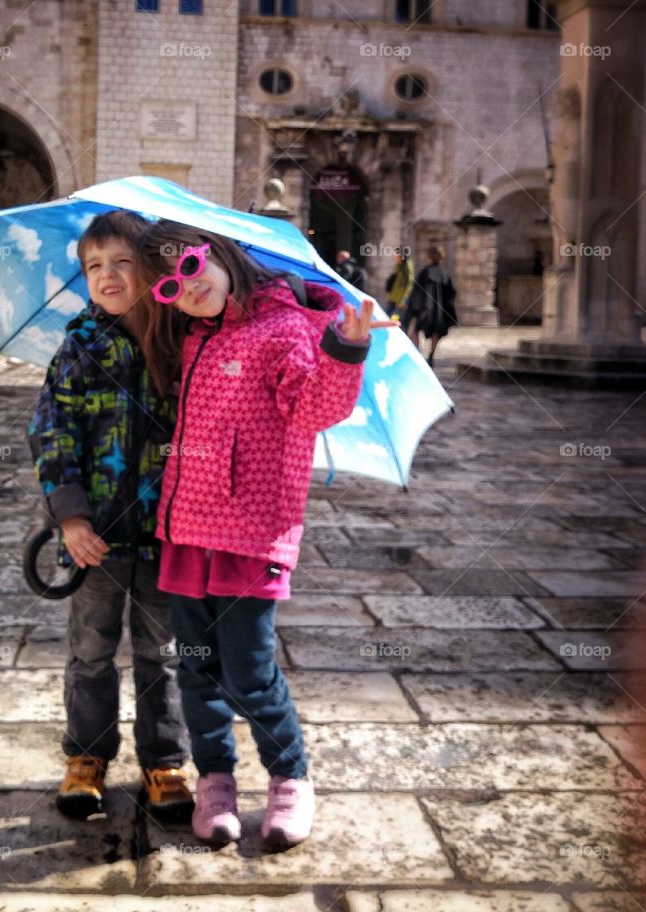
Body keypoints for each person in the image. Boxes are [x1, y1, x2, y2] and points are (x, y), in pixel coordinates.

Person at [139, 221, 391, 851]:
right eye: (171, 286)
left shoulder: (282, 328)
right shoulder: (193, 338)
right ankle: (215, 783)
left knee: (250, 673)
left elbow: (313, 409)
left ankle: (290, 779)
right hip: (187, 532)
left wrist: (343, 349)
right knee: (196, 671)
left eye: (192, 266)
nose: (188, 289)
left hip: (250, 536)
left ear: (219, 252)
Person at [27, 210, 193, 825]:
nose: (109, 275)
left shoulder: (180, 344)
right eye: (95, 267)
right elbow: (50, 430)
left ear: (150, 269)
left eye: (123, 262)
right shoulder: (79, 347)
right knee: (91, 651)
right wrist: (69, 517)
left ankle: (165, 761)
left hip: (165, 536)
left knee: (162, 652)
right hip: (93, 538)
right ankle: (87, 757)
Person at [405, 245, 457, 367]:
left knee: (415, 330)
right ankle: (431, 356)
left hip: (425, 309)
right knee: (436, 332)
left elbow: (417, 292)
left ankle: (418, 354)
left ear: (429, 256)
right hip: (439, 311)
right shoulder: (444, 275)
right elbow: (451, 294)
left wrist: (413, 309)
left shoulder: (425, 273)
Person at [384, 247, 414, 318]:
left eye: (396, 254)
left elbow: (407, 284)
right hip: (394, 297)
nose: (394, 256)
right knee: (387, 316)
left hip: (399, 300)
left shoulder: (406, 267)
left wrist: (402, 300)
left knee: (395, 318)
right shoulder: (399, 266)